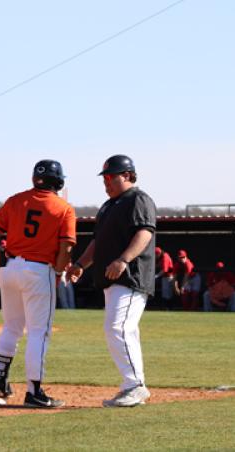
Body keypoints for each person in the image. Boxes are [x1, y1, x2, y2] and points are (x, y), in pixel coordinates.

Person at [67, 154, 156, 408]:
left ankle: (135, 386)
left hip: (130, 277)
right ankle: (133, 385)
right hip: (112, 280)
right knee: (124, 330)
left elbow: (144, 233)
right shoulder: (108, 206)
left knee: (118, 328)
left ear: (127, 175)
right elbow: (98, 242)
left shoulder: (138, 199)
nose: (106, 182)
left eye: (110, 176)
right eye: (104, 177)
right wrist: (80, 264)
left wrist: (124, 259)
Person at [0, 159, 76, 408]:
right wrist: (59, 271)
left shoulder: (16, 200)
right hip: (39, 270)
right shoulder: (64, 208)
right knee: (38, 332)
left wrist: (0, 249)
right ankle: (34, 391)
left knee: (11, 327)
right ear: (58, 181)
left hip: (10, 268)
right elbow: (67, 246)